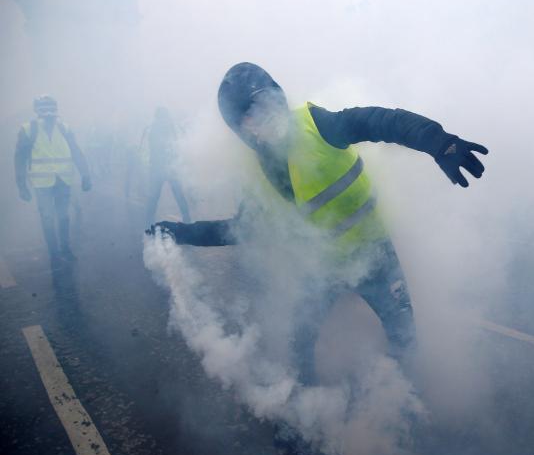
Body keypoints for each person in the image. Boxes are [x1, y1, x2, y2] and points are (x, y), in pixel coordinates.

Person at [148, 62, 488, 383]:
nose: (261, 118)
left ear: (278, 96)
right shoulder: (259, 176)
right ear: (240, 130)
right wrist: (179, 233)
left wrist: (438, 142)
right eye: (248, 116)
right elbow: (239, 230)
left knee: (404, 336)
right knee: (299, 343)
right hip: (323, 269)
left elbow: (383, 121)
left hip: (376, 257)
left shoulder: (319, 125)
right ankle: (308, 423)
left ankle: (410, 408)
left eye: (264, 103)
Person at [14, 95, 92, 266]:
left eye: (52, 115)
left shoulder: (64, 128)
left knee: (64, 217)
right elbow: (19, 159)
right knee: (48, 217)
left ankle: (65, 249)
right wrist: (21, 185)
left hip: (63, 180)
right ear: (39, 114)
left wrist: (85, 174)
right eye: (46, 115)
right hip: (42, 184)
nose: (49, 119)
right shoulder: (29, 130)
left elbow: (76, 151)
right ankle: (54, 253)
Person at [141, 106, 192, 227]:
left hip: (160, 168)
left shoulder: (155, 128)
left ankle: (148, 223)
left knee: (155, 196)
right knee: (175, 195)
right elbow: (173, 146)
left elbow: (172, 146)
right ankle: (187, 219)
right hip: (164, 167)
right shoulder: (165, 128)